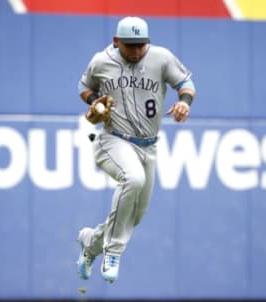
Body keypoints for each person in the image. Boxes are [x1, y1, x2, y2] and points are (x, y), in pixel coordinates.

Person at [76, 16, 196, 283]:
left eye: (141, 45)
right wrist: (95, 101)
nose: (136, 50)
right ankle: (113, 251)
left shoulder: (161, 58)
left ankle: (91, 242)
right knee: (133, 178)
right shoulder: (101, 61)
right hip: (113, 140)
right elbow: (84, 86)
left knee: (134, 216)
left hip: (148, 147)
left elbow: (186, 84)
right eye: (130, 45)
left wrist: (184, 103)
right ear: (116, 41)